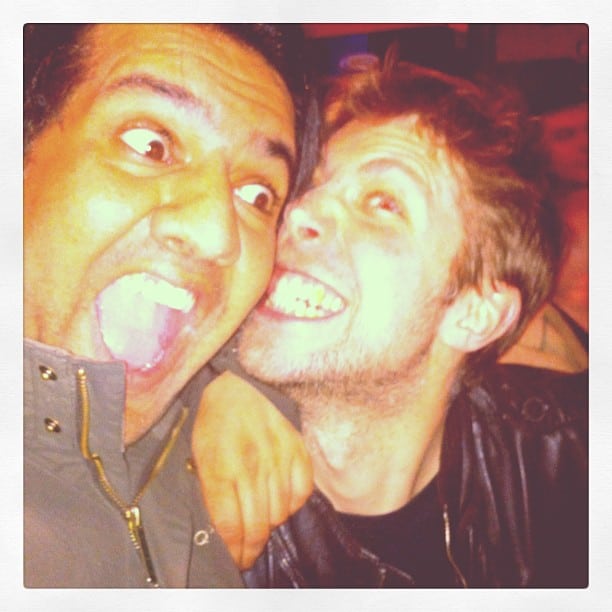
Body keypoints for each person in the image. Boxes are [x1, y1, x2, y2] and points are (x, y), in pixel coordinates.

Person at [194, 56, 588, 587]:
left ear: (476, 313)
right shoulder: (187, 527)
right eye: (310, 185)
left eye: (382, 204)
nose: (297, 212)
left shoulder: (568, 458)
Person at [23, 22, 314, 587]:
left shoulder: (202, 428)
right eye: (151, 146)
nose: (217, 234)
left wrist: (237, 378)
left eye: (256, 194)